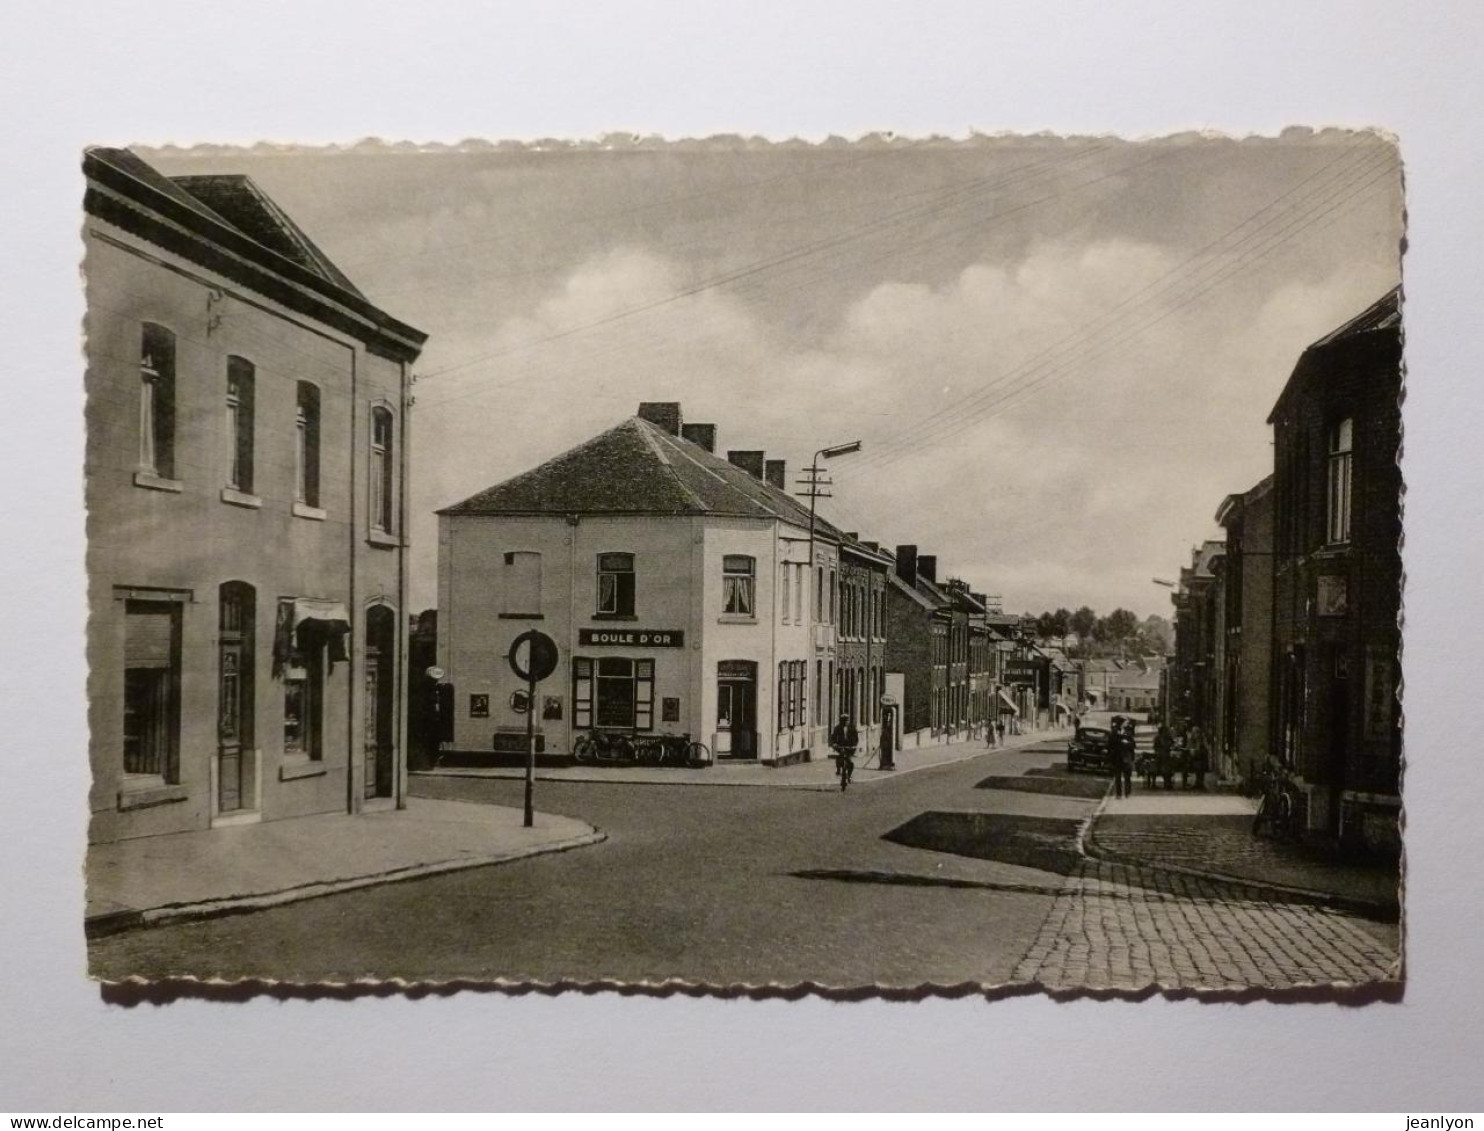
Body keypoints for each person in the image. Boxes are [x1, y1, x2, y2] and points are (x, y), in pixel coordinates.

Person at [830, 712, 859, 791]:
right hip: (840, 747)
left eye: (846, 720)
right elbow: (833, 737)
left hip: (849, 747)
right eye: (843, 721)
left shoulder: (852, 728)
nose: (845, 722)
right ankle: (838, 769)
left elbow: (856, 738)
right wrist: (834, 744)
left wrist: (854, 745)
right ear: (841, 721)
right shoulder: (837, 728)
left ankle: (849, 776)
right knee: (839, 757)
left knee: (850, 763)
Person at [1109, 716, 1134, 799]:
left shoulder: (1128, 732)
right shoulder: (1114, 732)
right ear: (1121, 723)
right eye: (1125, 722)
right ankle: (1118, 794)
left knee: (1127, 777)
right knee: (1118, 777)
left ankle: (1127, 793)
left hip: (1127, 758)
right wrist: (1120, 742)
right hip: (1117, 758)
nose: (1127, 724)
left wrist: (1127, 743)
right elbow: (1110, 745)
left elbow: (1133, 745)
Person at [1154, 723, 1175, 791]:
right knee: (1167, 769)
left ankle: (1167, 783)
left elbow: (1155, 747)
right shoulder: (1161, 737)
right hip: (1163, 757)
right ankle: (1167, 783)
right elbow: (1172, 744)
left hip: (1163, 756)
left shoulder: (1159, 737)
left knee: (1167, 768)